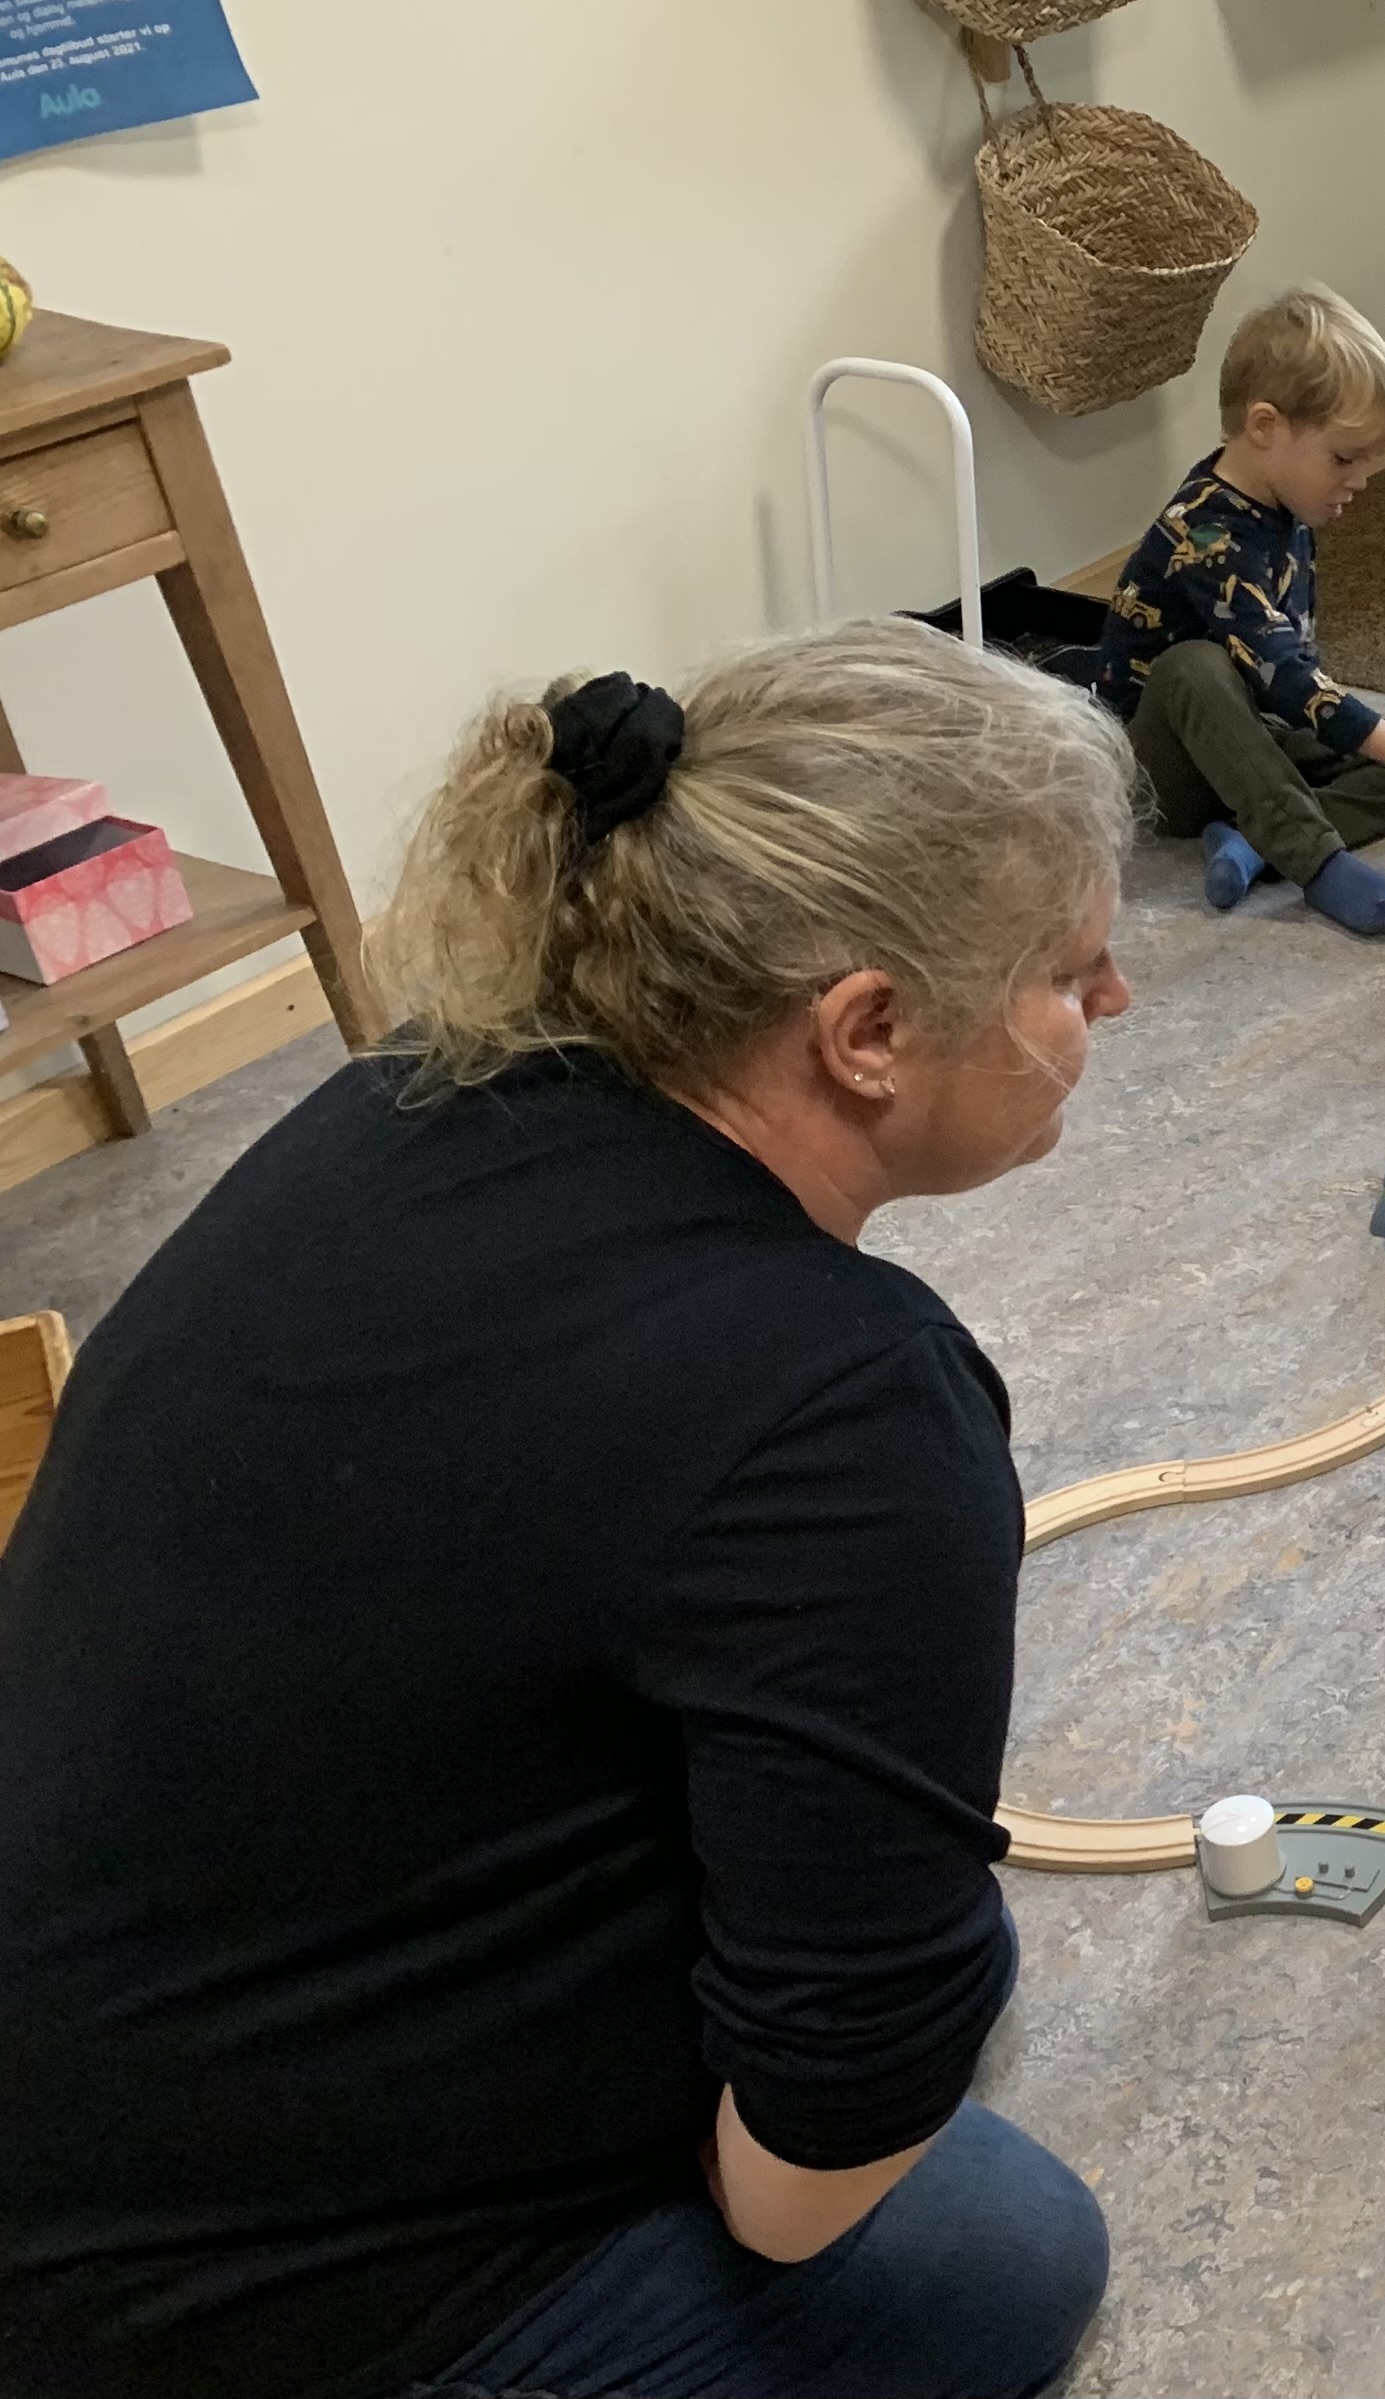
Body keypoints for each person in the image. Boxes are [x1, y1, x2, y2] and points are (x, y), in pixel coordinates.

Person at [0, 622, 1136, 2399]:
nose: (1113, 1002)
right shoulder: (844, 1406)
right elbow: (796, 2189)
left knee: (920, 1964)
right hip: (192, 2312)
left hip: (94, 2057)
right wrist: (812, 2083)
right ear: (868, 1029)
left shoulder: (414, 1091)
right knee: (993, 2245)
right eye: (1071, 971)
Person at [1098, 283, 1385, 935]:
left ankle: (1255, 840)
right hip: (1168, 774)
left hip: (1254, 737)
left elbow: (1294, 665)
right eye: (1344, 458)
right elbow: (1281, 669)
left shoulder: (1287, 512)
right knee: (1193, 666)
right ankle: (1316, 862)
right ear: (1265, 427)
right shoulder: (1206, 531)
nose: (1360, 481)